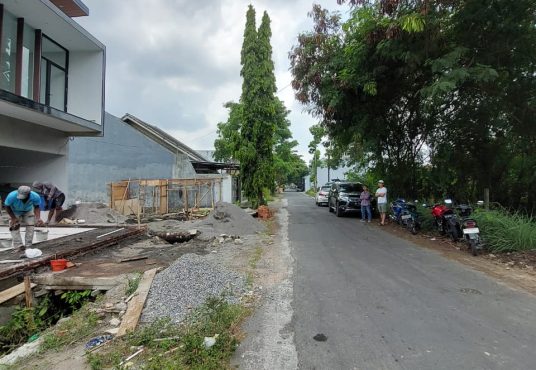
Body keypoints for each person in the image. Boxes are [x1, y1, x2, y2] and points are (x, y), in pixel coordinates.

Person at [4, 185, 43, 250]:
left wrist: (38, 218)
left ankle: (28, 246)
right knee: (14, 227)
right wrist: (13, 218)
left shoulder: (35, 196)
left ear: (29, 194)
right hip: (14, 211)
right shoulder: (11, 196)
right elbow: (7, 206)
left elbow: (36, 207)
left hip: (28, 211)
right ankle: (19, 246)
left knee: (30, 227)